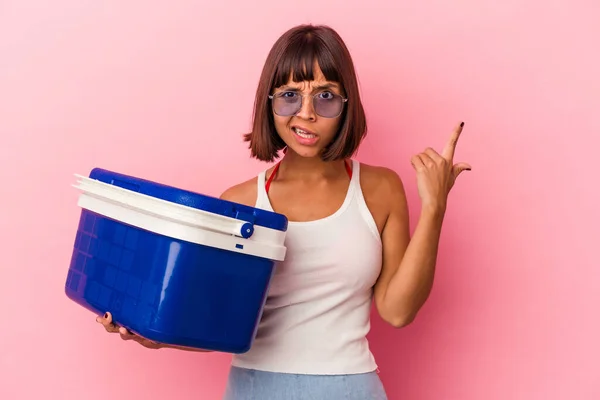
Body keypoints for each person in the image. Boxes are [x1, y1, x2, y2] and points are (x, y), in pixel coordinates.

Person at [96, 23, 471, 399]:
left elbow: (398, 311)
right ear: (270, 102)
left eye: (325, 96)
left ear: (346, 105)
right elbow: (218, 323)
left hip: (351, 388)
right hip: (256, 388)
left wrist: (435, 206)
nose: (306, 113)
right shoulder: (240, 203)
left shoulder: (381, 189)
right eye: (290, 96)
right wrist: (155, 336)